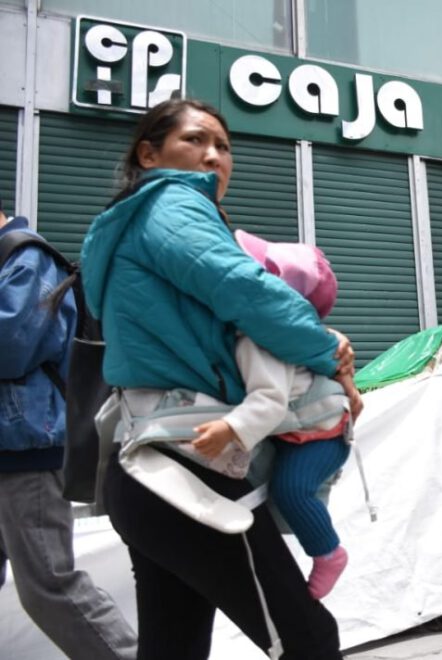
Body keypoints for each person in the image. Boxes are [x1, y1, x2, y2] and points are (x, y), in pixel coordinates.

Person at [80, 98, 352, 659]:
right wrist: (328, 351)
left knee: (174, 645)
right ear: (149, 154)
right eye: (195, 140)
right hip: (187, 475)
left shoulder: (131, 222)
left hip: (149, 469)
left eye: (224, 147)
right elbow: (245, 290)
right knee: (307, 638)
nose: (213, 156)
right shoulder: (173, 203)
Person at [0, 198, 137, 659]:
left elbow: (10, 346)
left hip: (26, 451)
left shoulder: (27, 258)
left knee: (49, 583)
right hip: (10, 445)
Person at [190, 229, 360, 599]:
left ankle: (329, 553)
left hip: (322, 429)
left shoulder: (260, 338)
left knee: (291, 489)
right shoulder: (257, 332)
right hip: (295, 428)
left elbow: (270, 400)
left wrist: (229, 428)